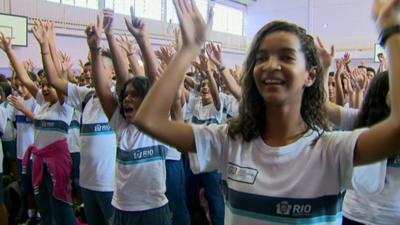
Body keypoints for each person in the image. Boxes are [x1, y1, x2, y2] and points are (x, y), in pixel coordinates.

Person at [133, 0, 400, 224]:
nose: (271, 65)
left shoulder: (330, 150)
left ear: (311, 75)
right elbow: (149, 120)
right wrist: (189, 49)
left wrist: (391, 29)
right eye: (261, 58)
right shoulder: (230, 140)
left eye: (286, 57)